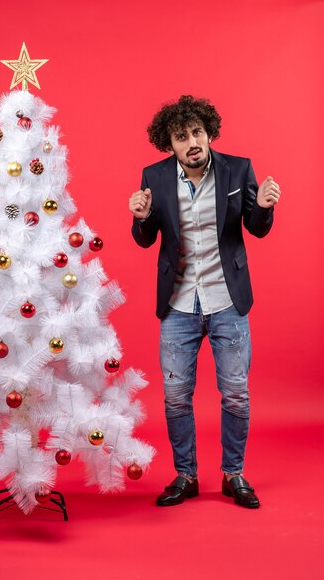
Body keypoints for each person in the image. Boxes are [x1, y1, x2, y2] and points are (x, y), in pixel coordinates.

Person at [129, 95, 280, 509]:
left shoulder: (238, 169)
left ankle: (234, 475)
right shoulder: (154, 178)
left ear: (209, 133)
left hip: (227, 299)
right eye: (181, 136)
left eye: (197, 132)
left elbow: (256, 227)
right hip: (178, 304)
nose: (192, 141)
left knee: (235, 393)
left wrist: (264, 208)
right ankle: (186, 475)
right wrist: (141, 218)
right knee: (176, 396)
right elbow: (146, 241)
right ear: (170, 144)